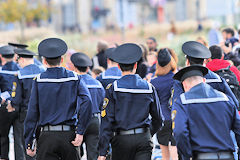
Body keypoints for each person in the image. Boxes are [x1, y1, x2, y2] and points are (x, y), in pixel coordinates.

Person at [24, 38, 93, 160]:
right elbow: (87, 101)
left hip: (46, 137)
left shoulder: (38, 80)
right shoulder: (74, 78)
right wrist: (80, 131)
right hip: (68, 135)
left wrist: (29, 141)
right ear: (62, 60)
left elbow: (32, 112)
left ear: (44, 61)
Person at [98, 43, 163, 160]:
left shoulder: (113, 88)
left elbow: (107, 121)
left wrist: (103, 150)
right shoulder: (148, 87)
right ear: (136, 65)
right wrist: (148, 133)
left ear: (118, 66)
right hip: (143, 137)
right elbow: (158, 118)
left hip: (121, 140)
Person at [172, 65, 240, 160]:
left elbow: (180, 132)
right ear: (204, 81)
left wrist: (187, 155)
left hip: (202, 156)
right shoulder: (225, 99)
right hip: (227, 156)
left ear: (184, 85)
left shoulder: (182, 101)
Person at [171, 41, 239, 110]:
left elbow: (175, 106)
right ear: (204, 61)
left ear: (187, 61)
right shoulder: (218, 79)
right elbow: (234, 104)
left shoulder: (181, 80)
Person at [7, 48, 45, 160]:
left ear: (22, 59)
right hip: (42, 114)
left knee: (28, 145)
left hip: (26, 113)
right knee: (41, 144)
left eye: (18, 61)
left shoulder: (19, 74)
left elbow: (17, 97)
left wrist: (12, 105)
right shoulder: (43, 72)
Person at [71, 52, 105, 160]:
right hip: (95, 120)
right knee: (93, 153)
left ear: (75, 67)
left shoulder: (73, 83)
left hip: (78, 120)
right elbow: (102, 103)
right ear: (87, 68)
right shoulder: (97, 84)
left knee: (75, 152)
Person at [150, 48, 178, 160]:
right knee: (175, 151)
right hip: (176, 117)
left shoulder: (153, 82)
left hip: (161, 118)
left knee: (164, 153)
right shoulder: (177, 79)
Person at [0, 45, 19, 160]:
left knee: (3, 136)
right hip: (18, 106)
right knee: (18, 137)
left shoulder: (1, 70)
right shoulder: (20, 69)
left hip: (4, 106)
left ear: (1, 56)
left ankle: (4, 157)